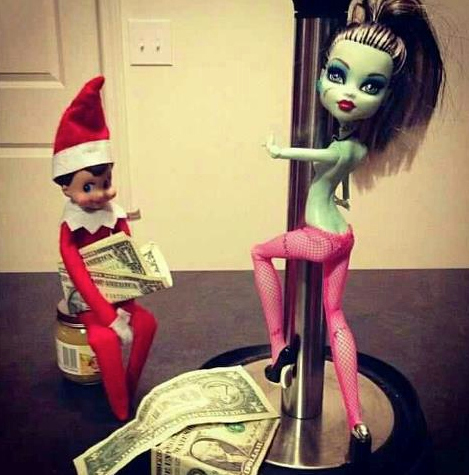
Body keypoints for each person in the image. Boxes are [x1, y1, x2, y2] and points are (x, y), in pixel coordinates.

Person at [251, 0, 444, 457]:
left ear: (386, 96)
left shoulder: (340, 149)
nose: (349, 94)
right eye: (337, 75)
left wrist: (280, 152)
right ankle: (357, 421)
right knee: (335, 316)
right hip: (343, 236)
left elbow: (312, 156)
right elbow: (336, 175)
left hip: (320, 239)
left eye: (370, 86)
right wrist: (336, 193)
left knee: (260, 253)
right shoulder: (356, 145)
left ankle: (278, 346)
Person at [52, 76, 157, 420]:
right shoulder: (70, 226)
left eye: (106, 182)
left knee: (148, 324)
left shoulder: (115, 215)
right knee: (105, 341)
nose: (100, 193)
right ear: (66, 187)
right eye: (89, 186)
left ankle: (128, 386)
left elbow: (126, 252)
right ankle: (120, 410)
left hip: (119, 296)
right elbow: (78, 274)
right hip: (89, 304)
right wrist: (110, 317)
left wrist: (137, 286)